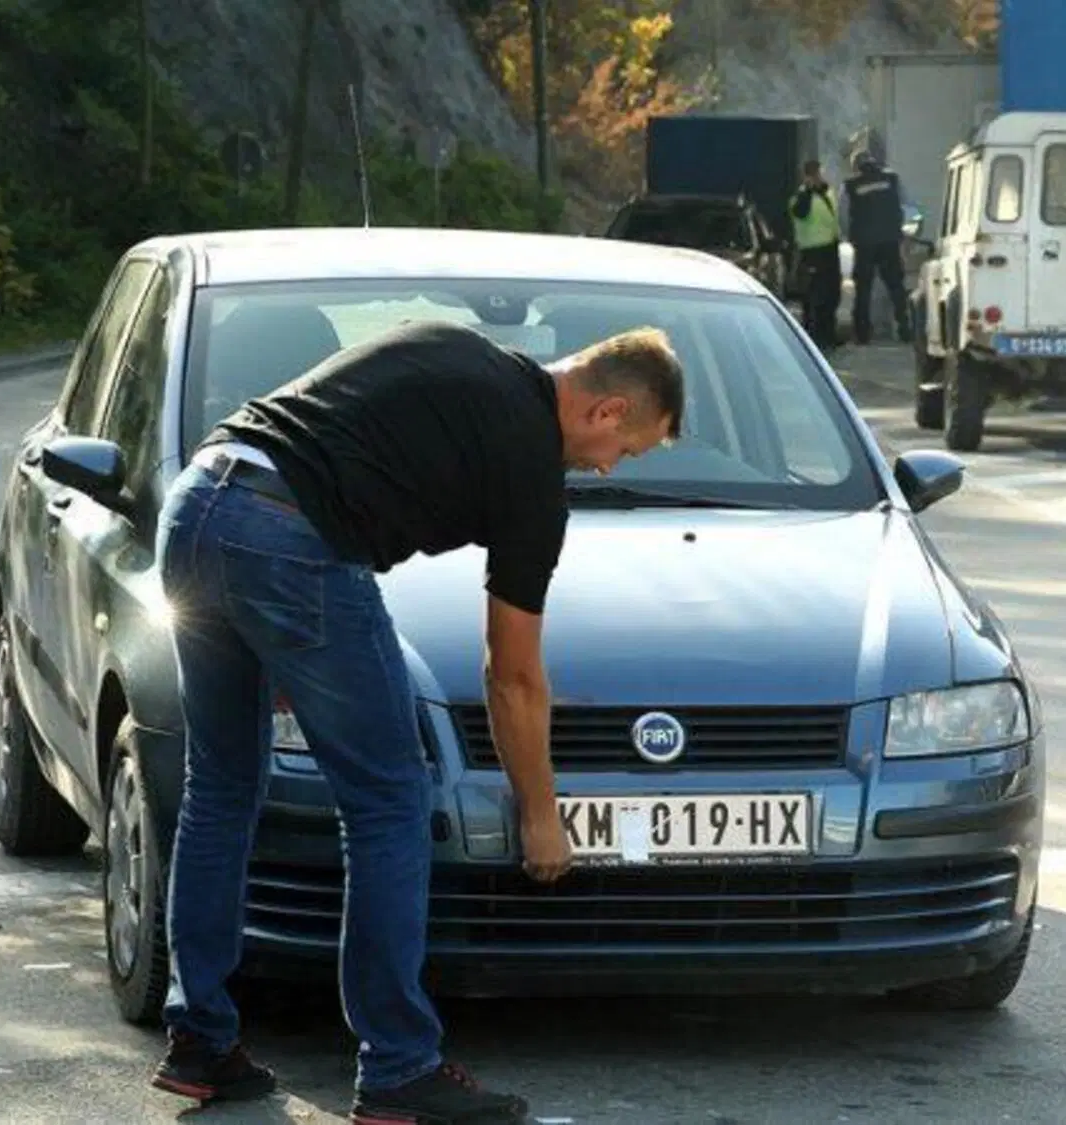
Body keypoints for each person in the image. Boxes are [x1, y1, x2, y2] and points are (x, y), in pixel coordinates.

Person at [149, 319, 683, 1122]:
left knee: (220, 784)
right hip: (294, 540)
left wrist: (278, 623)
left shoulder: (457, 348)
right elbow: (513, 675)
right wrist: (540, 812)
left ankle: (198, 1040)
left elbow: (338, 432)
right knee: (391, 798)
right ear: (607, 411)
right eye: (627, 449)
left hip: (198, 505)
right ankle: (399, 1065)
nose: (610, 465)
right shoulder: (533, 475)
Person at [843, 151, 913, 346]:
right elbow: (908, 207)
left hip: (864, 243)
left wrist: (851, 236)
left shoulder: (850, 185)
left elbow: (843, 215)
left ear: (856, 166)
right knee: (896, 287)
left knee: (863, 289)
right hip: (890, 241)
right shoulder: (892, 179)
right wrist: (903, 233)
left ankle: (862, 334)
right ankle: (905, 329)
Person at [789, 158, 843, 348]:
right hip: (812, 253)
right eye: (814, 174)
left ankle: (828, 334)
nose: (818, 177)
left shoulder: (828, 193)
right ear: (806, 177)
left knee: (832, 294)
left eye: (819, 173)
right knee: (814, 298)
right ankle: (813, 337)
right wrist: (809, 189)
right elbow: (800, 213)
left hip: (830, 250)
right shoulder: (801, 198)